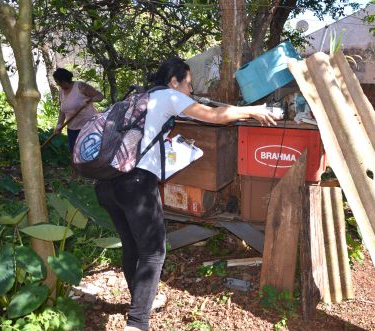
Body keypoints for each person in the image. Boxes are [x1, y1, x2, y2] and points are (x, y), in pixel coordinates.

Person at [94, 57, 278, 331]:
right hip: (135, 184)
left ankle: (140, 303)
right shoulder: (169, 96)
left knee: (133, 246)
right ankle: (137, 323)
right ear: (173, 82)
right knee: (154, 253)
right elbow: (215, 116)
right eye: (188, 84)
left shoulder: (139, 98)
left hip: (106, 183)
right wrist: (252, 110)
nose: (190, 91)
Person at [53, 68, 104, 153]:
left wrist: (90, 100)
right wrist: (59, 124)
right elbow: (62, 110)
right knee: (74, 153)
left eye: (57, 81)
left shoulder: (80, 86)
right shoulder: (61, 91)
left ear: (63, 80)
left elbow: (100, 96)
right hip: (72, 129)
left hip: (88, 126)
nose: (57, 83)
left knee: (89, 153)